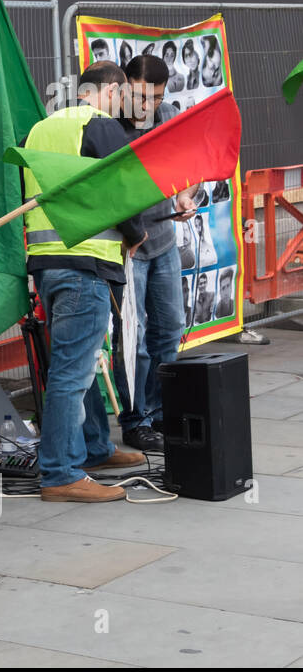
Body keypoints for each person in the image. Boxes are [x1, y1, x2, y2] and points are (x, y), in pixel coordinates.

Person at [20, 60, 148, 502]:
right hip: (87, 265)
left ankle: (93, 448)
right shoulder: (100, 126)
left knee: (81, 365)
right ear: (110, 92)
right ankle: (60, 474)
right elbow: (123, 192)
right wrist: (137, 234)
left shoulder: (39, 130)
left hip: (48, 264)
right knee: (71, 374)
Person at [108, 55, 198, 453]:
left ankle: (162, 412)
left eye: (156, 97)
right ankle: (135, 419)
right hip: (129, 244)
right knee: (135, 338)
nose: (148, 106)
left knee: (169, 330)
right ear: (125, 84)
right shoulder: (108, 123)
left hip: (162, 236)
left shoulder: (168, 114)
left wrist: (185, 193)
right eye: (142, 96)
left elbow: (189, 165)